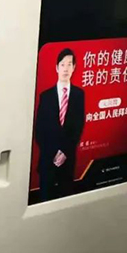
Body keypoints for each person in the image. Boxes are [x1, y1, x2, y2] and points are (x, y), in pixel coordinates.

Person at [35, 49, 86, 201]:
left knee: (66, 201)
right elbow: (39, 130)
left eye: (69, 64)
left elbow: (78, 127)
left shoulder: (79, 95)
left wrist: (64, 152)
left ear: (74, 67)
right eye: (62, 64)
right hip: (48, 160)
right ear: (57, 67)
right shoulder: (46, 96)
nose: (66, 68)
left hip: (68, 161)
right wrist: (54, 153)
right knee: (46, 201)